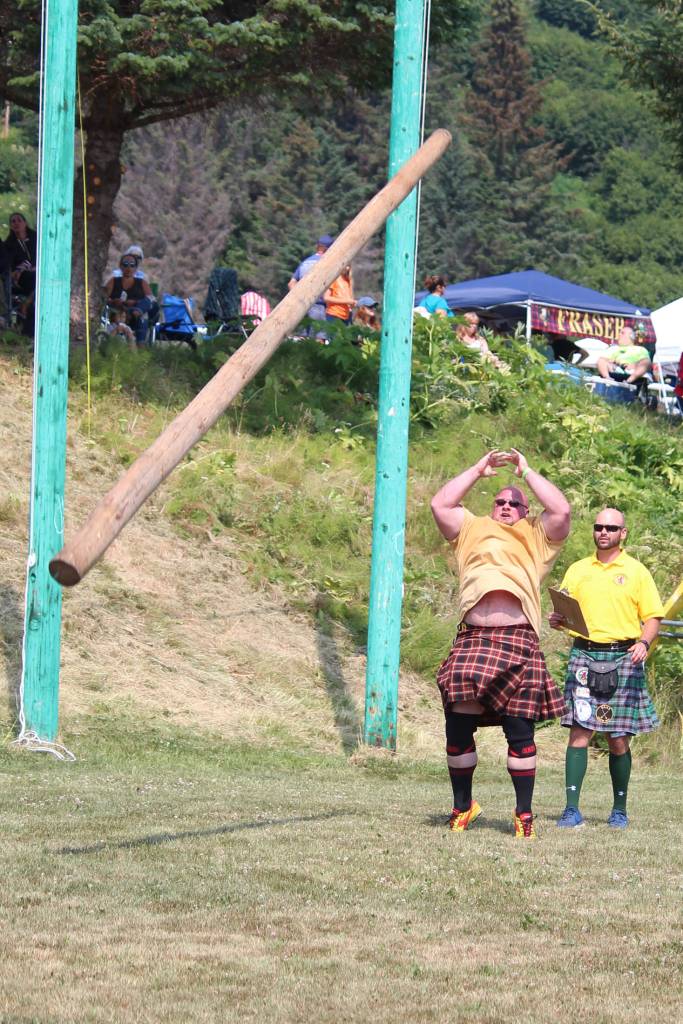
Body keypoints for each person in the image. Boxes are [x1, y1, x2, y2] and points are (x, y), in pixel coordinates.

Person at [431, 448, 571, 839]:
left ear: (526, 511)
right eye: (501, 501)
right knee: (458, 729)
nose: (507, 506)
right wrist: (478, 469)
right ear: (491, 506)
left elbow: (561, 511)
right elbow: (440, 503)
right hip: (474, 639)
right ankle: (463, 806)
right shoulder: (471, 529)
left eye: (515, 503)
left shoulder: (536, 537)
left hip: (517, 640)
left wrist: (525, 471)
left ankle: (524, 814)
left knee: (519, 731)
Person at [550, 508, 664, 830]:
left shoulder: (637, 571)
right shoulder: (578, 569)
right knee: (579, 732)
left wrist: (644, 643)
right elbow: (565, 614)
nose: (603, 532)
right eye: (599, 526)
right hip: (584, 656)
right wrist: (558, 621)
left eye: (611, 528)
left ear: (623, 533)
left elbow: (653, 616)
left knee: (618, 739)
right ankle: (571, 810)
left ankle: (619, 810)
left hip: (624, 656)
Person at [105, 253, 154, 344]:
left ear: (136, 268)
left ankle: (140, 345)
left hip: (135, 312)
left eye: (132, 265)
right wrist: (114, 301)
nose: (128, 268)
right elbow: (104, 297)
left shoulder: (142, 282)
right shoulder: (113, 281)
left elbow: (151, 299)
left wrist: (135, 302)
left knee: (144, 309)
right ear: (120, 266)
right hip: (116, 312)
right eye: (125, 264)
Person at [287, 234, 334, 324]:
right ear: (328, 249)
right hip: (319, 306)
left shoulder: (305, 262)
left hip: (301, 308)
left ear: (317, 246)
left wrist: (298, 299)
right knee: (319, 337)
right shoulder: (327, 263)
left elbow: (291, 283)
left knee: (304, 337)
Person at [5, 212, 37, 335]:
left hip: (36, 272)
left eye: (19, 220)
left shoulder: (35, 238)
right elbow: (9, 265)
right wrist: (18, 270)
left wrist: (34, 267)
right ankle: (22, 309)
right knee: (32, 278)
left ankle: (27, 303)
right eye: (13, 221)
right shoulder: (9, 244)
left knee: (37, 278)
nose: (16, 223)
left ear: (25, 223)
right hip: (20, 277)